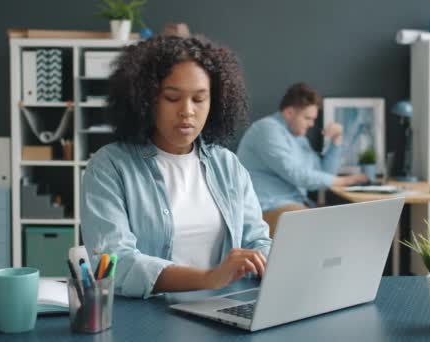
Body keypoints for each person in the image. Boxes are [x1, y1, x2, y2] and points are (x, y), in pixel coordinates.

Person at [80, 35, 271, 299]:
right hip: (148, 318)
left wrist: (270, 261)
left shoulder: (228, 165)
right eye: (172, 98)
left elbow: (257, 241)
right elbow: (115, 264)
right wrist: (209, 278)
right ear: (146, 100)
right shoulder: (109, 167)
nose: (187, 111)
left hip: (222, 309)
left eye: (199, 99)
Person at [237, 83, 367, 237]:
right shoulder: (266, 130)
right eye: (307, 118)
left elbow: (323, 173)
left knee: (350, 223)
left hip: (296, 206)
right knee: (318, 227)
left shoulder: (300, 139)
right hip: (267, 208)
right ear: (289, 112)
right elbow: (295, 174)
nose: (312, 124)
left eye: (313, 119)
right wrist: (343, 181)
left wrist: (336, 141)